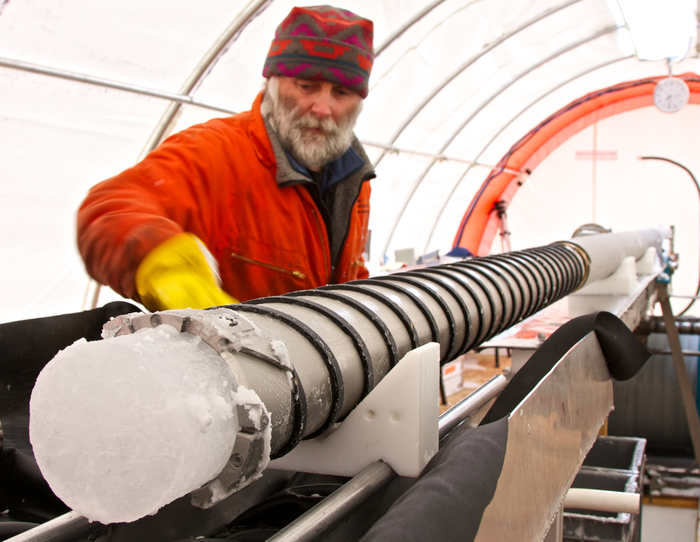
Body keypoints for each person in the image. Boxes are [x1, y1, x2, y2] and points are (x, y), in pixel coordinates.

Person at [77, 5, 376, 312]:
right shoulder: (214, 153)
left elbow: (348, 272)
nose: (323, 108)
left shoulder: (355, 177)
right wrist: (164, 264)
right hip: (228, 344)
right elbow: (108, 211)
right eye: (306, 86)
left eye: (341, 93)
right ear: (273, 83)